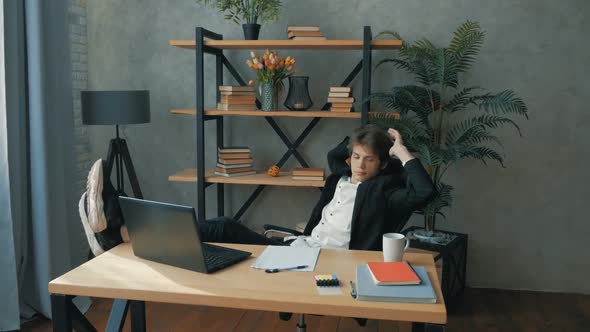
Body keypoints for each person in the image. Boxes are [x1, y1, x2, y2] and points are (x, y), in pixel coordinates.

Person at [198, 124, 434, 251]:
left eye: (369, 159)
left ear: (382, 164)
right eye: (356, 156)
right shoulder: (339, 178)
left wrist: (400, 151)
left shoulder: (384, 192)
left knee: (225, 228)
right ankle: (166, 242)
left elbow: (424, 193)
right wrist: (364, 136)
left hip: (327, 260)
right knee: (223, 228)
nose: (360, 165)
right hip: (303, 247)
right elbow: (336, 153)